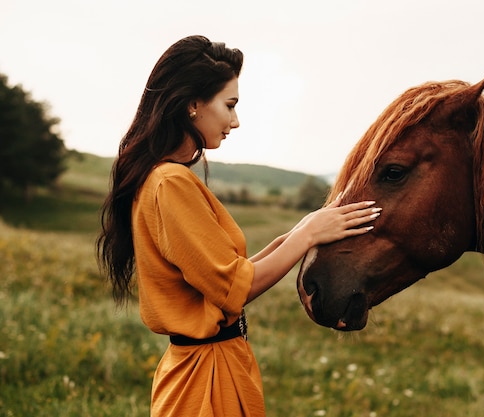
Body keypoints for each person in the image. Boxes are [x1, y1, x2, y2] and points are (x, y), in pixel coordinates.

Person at [96, 35, 380, 417]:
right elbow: (233, 288)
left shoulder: (165, 178)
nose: (235, 120)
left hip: (213, 367)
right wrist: (308, 235)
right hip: (204, 381)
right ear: (193, 105)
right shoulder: (170, 183)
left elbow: (225, 275)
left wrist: (301, 230)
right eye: (229, 105)